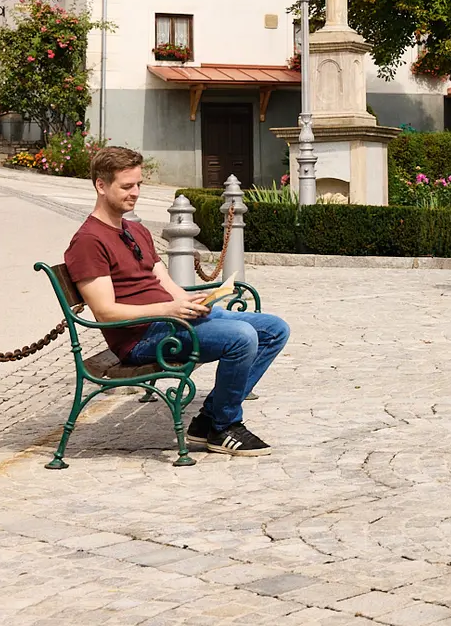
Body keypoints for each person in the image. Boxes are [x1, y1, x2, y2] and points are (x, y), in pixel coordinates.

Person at [64, 146, 289, 456]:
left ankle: (208, 420)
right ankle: (224, 426)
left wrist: (194, 300)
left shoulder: (135, 230)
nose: (136, 193)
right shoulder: (89, 241)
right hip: (141, 337)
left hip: (170, 320)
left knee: (275, 329)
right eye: (127, 186)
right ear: (100, 186)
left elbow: (166, 282)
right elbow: (105, 312)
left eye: (139, 184)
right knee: (242, 336)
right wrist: (168, 309)